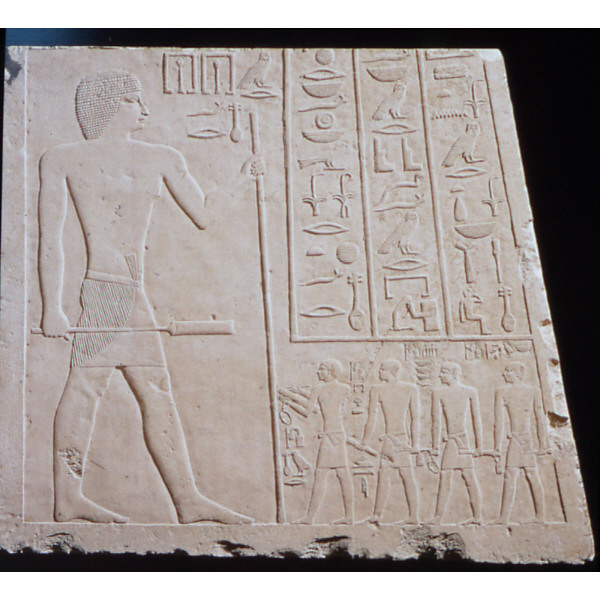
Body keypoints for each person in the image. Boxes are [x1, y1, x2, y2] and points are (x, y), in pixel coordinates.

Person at [38, 70, 253, 524]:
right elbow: (51, 240)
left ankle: (180, 500)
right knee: (101, 389)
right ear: (109, 105)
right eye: (135, 101)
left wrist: (241, 177)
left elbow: (204, 214)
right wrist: (50, 307)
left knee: (124, 390)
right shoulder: (62, 158)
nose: (146, 109)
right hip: (107, 291)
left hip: (126, 291)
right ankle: (81, 499)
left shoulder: (161, 157)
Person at [361, 359, 420, 524]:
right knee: (385, 476)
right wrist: (364, 441)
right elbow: (372, 417)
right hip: (393, 439)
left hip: (398, 440)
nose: (379, 372)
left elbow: (415, 418)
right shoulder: (378, 389)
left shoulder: (408, 388)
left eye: (382, 369)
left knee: (405, 476)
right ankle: (378, 515)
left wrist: (415, 444)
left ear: (390, 371)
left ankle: (413, 516)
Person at [491, 362, 548, 524]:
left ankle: (540, 516)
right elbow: (499, 422)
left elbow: (540, 419)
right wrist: (497, 447)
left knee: (529, 475)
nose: (504, 374)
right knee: (515, 475)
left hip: (524, 440)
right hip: (518, 440)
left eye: (507, 371)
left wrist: (543, 444)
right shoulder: (502, 391)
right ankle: (504, 518)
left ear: (516, 373)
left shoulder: (532, 391)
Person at [298, 360, 354, 524]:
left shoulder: (319, 389)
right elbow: (344, 413)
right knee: (337, 474)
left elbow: (307, 411)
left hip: (332, 435)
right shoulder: (345, 389)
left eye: (321, 369)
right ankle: (313, 517)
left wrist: (290, 400)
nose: (318, 372)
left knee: (331, 474)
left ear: (330, 371)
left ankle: (314, 517)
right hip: (336, 433)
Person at [429, 362, 483, 525]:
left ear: (453, 374)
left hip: (460, 441)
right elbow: (436, 422)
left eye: (443, 372)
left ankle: (476, 517)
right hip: (454, 441)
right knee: (453, 477)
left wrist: (479, 445)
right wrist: (435, 446)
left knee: (465, 477)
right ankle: (439, 517)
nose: (440, 375)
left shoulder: (469, 391)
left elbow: (476, 419)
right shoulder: (438, 393)